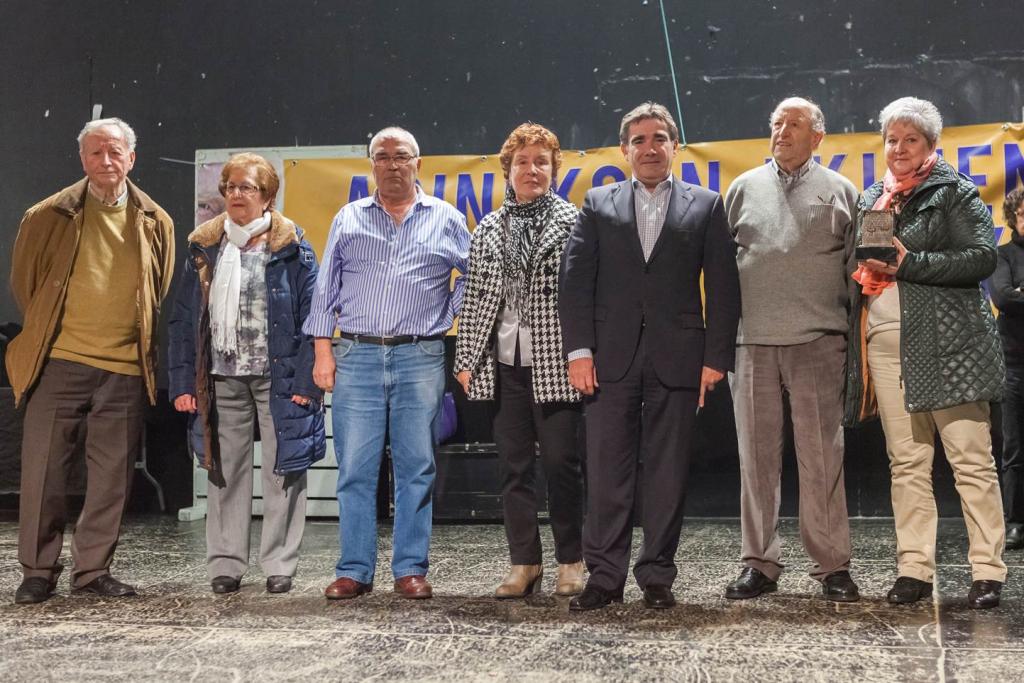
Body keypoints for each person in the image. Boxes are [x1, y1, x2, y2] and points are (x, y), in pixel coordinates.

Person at [559, 102, 740, 611]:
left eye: (659, 138)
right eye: (638, 140)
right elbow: (575, 285)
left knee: (667, 471)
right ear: (624, 150)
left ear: (673, 146)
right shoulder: (597, 203)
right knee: (607, 471)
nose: (649, 148)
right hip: (609, 358)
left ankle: (657, 574)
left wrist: (715, 357)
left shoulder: (705, 204)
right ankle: (605, 577)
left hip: (679, 357)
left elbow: (723, 288)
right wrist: (579, 351)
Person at [846, 97, 1006, 609]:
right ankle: (913, 567)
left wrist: (911, 264)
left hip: (949, 345)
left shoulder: (955, 192)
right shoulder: (874, 196)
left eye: (910, 139)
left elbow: (981, 257)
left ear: (931, 146)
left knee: (971, 462)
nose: (898, 148)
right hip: (887, 348)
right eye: (892, 139)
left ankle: (987, 570)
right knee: (906, 463)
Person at [8, 118, 174, 604]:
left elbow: (156, 289)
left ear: (131, 159)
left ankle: (93, 570)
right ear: (83, 159)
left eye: (115, 152)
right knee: (44, 472)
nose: (106, 161)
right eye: (96, 152)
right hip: (59, 360)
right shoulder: (47, 215)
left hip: (124, 366)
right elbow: (28, 286)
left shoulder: (154, 220)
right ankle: (38, 571)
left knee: (112, 478)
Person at [306, 127, 471, 600]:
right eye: (383, 156)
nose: (393, 164)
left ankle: (409, 569)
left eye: (402, 156)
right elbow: (326, 289)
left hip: (419, 354)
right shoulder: (349, 217)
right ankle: (354, 569)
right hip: (356, 354)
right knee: (355, 468)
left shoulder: (445, 217)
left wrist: (447, 311)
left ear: (418, 163)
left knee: (416, 466)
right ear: (371, 164)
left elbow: (476, 272)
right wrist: (323, 351)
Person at [723, 97, 860, 602]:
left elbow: (857, 274)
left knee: (823, 458)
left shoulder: (843, 192)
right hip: (751, 343)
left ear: (818, 137)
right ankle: (759, 563)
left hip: (820, 343)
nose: (782, 130)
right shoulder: (740, 190)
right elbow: (720, 276)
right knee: (755, 461)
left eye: (794, 123)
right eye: (776, 122)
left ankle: (831, 566)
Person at [168, 153, 325, 594]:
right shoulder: (205, 248)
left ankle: (279, 564)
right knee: (223, 470)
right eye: (231, 187)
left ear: (268, 196)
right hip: (221, 375)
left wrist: (308, 382)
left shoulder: (294, 247)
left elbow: (314, 318)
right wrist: (183, 383)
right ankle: (225, 564)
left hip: (280, 376)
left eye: (247, 188)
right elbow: (183, 320)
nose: (237, 195)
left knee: (284, 469)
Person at [454, 123, 584, 599]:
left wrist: (584, 354)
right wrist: (466, 358)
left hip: (555, 361)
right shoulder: (488, 227)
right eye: (523, 163)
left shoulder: (574, 222)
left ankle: (572, 559)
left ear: (554, 170)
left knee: (560, 463)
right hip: (502, 363)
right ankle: (524, 562)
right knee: (512, 467)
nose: (532, 170)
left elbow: (585, 297)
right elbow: (476, 297)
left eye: (541, 162)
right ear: (507, 170)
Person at [988, 186, 1024, 551]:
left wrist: (1020, 292)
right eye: (1023, 214)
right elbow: (1003, 297)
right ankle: (1015, 522)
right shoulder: (1003, 255)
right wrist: (1015, 293)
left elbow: (1017, 296)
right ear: (1013, 219)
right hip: (1014, 365)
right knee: (1014, 447)